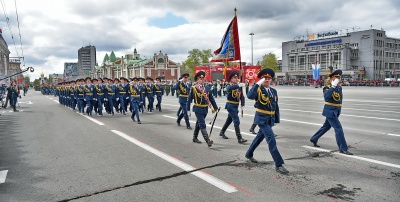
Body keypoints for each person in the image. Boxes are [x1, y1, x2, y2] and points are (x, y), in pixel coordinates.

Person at [245, 68, 289, 174]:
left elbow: (275, 106)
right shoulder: (258, 89)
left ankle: (249, 153)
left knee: (259, 137)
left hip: (270, 119)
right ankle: (278, 164)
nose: (267, 80)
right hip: (261, 119)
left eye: (269, 78)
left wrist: (276, 119)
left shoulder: (274, 91)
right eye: (264, 78)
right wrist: (256, 84)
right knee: (271, 139)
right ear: (261, 79)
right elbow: (250, 96)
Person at [310, 70, 353, 155]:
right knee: (338, 128)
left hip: (335, 111)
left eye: (339, 77)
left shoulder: (339, 88)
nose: (338, 79)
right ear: (331, 78)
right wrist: (332, 86)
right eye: (336, 77)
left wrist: (338, 111)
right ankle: (343, 148)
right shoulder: (327, 88)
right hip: (330, 111)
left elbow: (339, 101)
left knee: (326, 126)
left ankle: (314, 138)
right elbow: (327, 97)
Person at [187, 71, 219, 147]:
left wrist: (216, 108)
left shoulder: (207, 88)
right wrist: (188, 110)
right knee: (202, 124)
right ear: (197, 80)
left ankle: (195, 137)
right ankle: (208, 140)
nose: (202, 80)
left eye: (203, 78)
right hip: (198, 108)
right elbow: (189, 100)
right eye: (200, 79)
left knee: (198, 123)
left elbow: (211, 99)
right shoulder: (194, 88)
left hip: (205, 109)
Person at [219, 71, 247, 143]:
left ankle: (222, 132)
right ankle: (239, 138)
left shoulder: (238, 86)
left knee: (229, 120)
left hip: (236, 106)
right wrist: (239, 85)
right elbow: (228, 89)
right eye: (234, 78)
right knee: (236, 121)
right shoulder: (229, 85)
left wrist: (242, 104)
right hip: (230, 106)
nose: (236, 79)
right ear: (231, 79)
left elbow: (242, 96)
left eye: (237, 78)